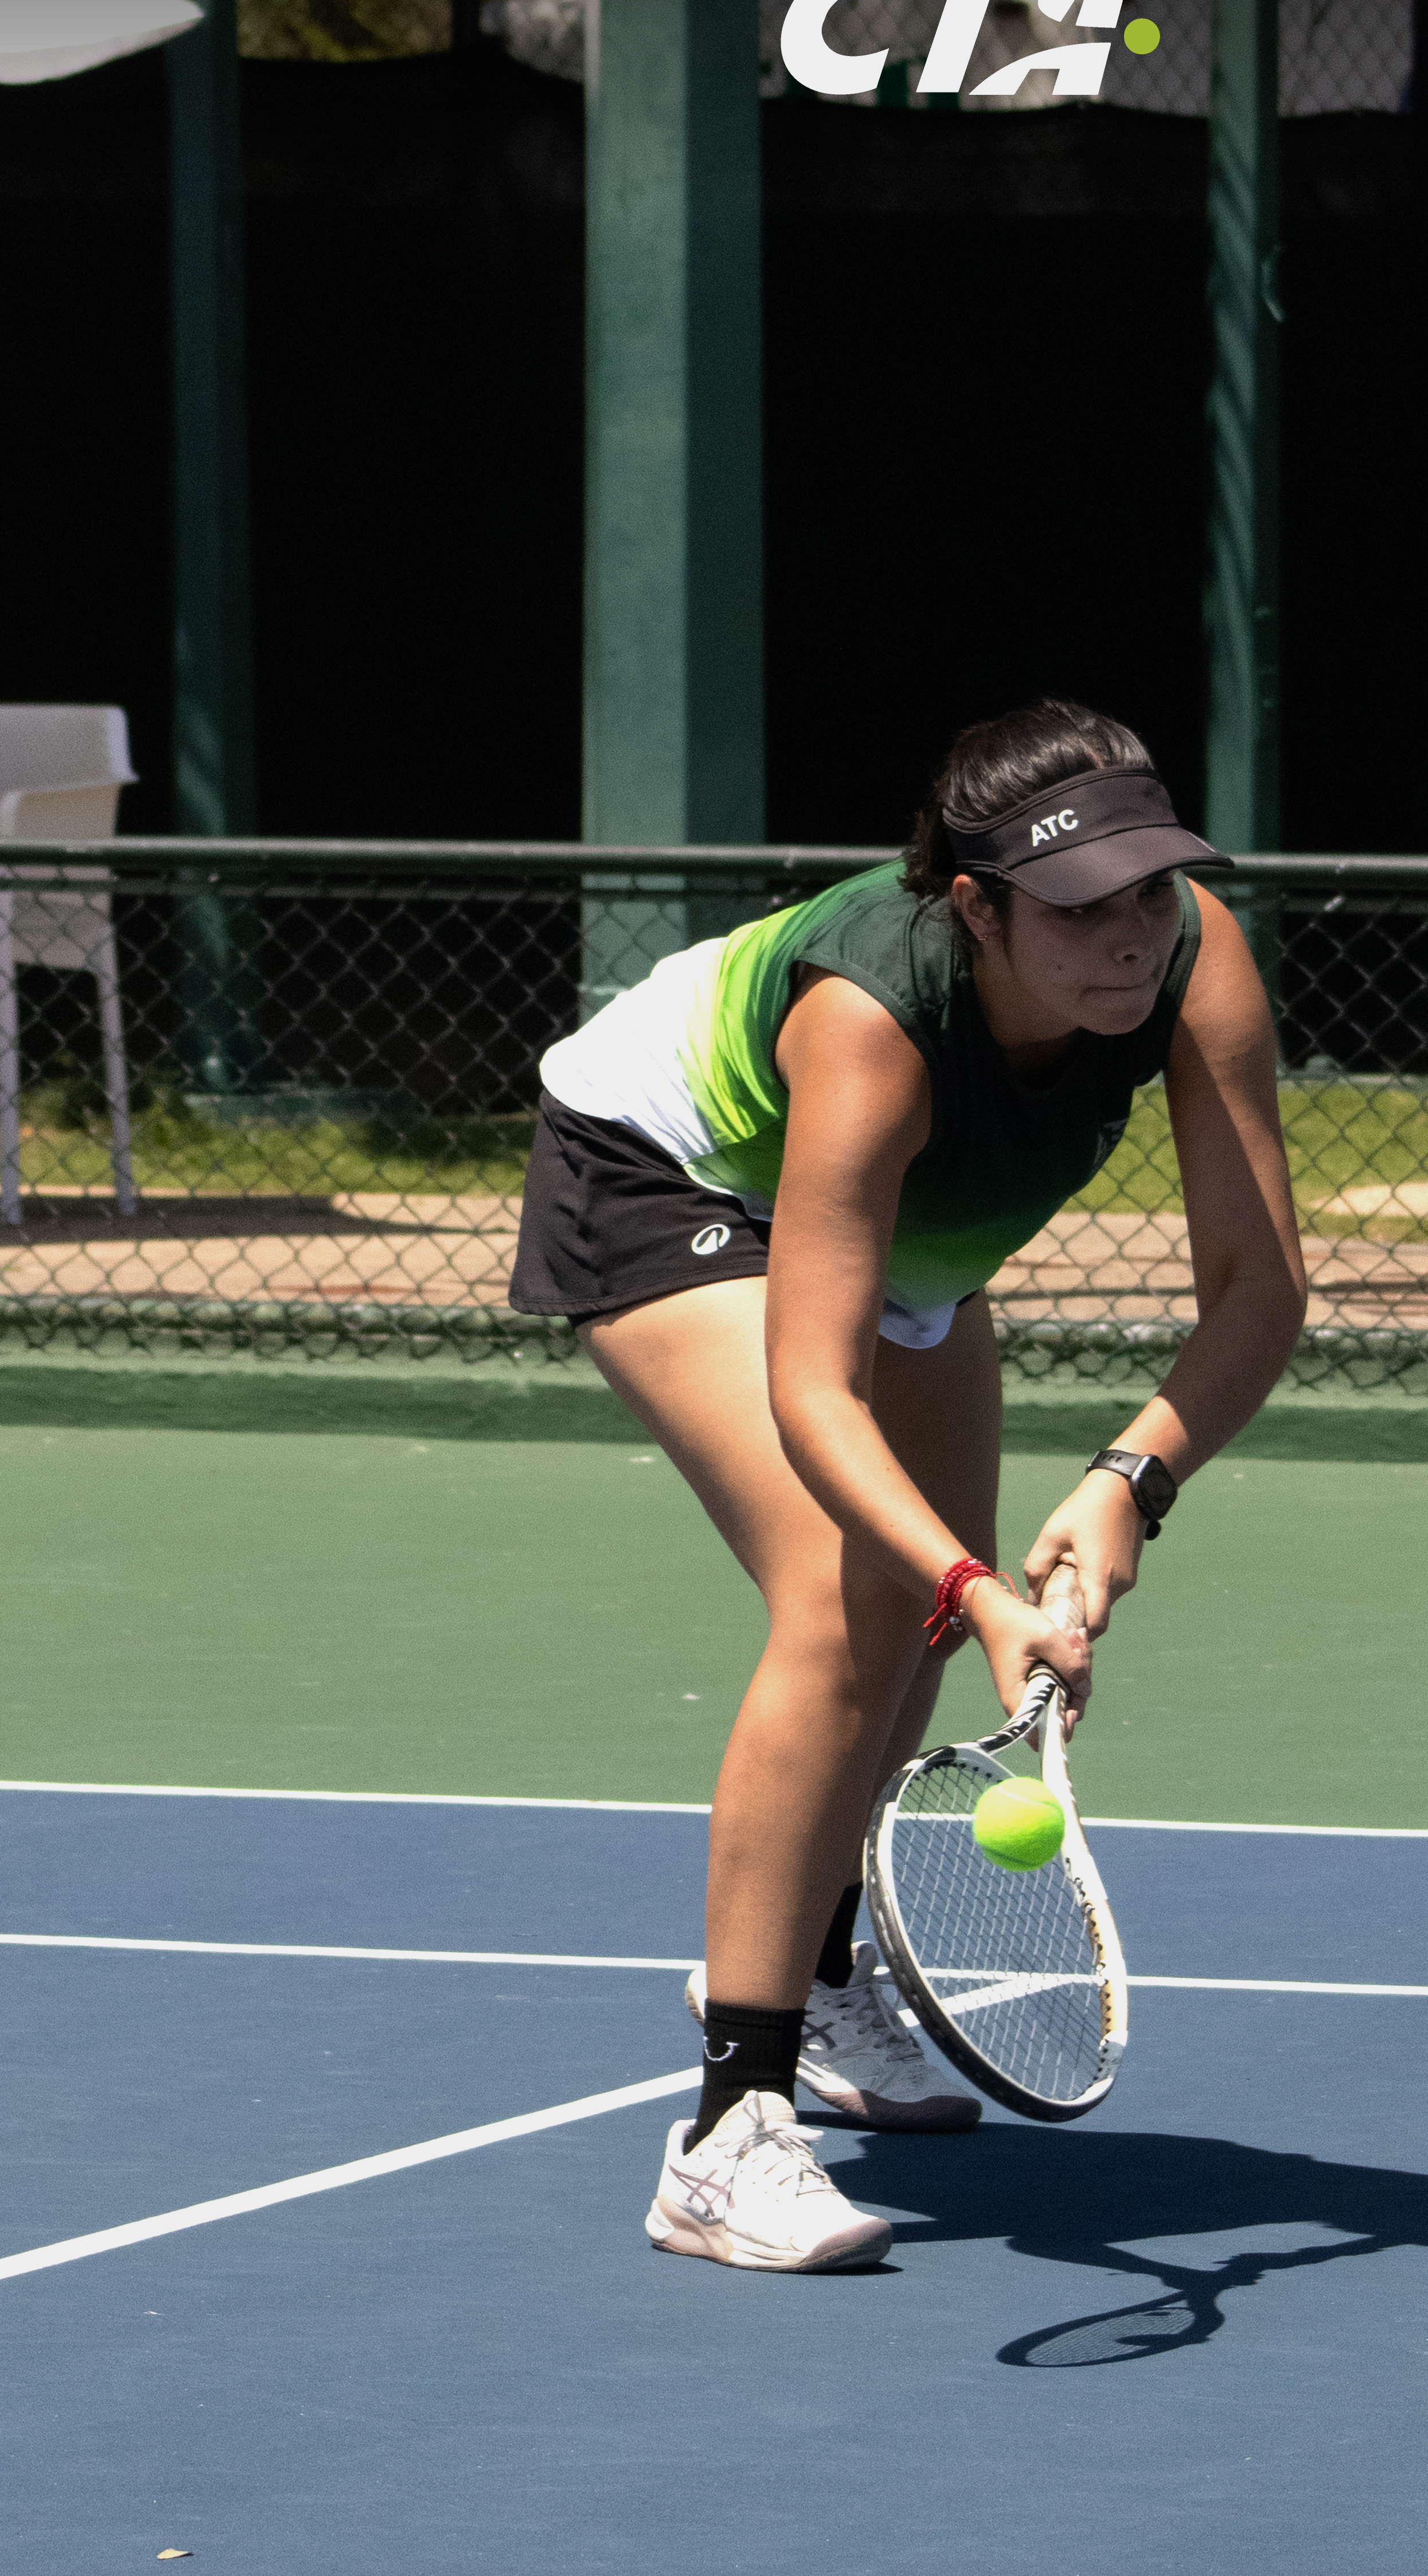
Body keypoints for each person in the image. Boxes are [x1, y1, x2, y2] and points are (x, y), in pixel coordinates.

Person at [511, 699, 1307, 2272]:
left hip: (903, 1236)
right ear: (976, 905)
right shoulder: (869, 1017)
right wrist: (973, 1581)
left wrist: (1129, 1485)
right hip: (669, 1177)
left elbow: (1262, 1289)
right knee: (851, 1597)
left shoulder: (1194, 960)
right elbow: (811, 1389)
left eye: (1149, 888)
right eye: (1078, 907)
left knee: (920, 1623)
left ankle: (812, 1977)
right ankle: (726, 2137)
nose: (1128, 935)